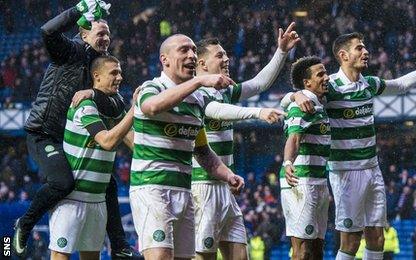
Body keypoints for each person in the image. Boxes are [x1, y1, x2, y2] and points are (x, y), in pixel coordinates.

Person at [281, 32, 416, 260]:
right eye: (359, 48)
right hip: (346, 172)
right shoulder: (329, 86)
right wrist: (294, 96)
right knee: (350, 242)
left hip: (373, 169)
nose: (366, 52)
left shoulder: (369, 84)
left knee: (377, 239)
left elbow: (400, 85)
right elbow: (287, 102)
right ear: (343, 55)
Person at [130, 34, 280, 260]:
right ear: (165, 59)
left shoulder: (196, 101)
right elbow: (151, 107)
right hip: (153, 188)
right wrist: (199, 82)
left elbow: (202, 150)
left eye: (193, 50)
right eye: (184, 50)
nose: (191, 54)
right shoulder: (152, 87)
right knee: (161, 256)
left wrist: (227, 174)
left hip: (185, 191)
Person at [13, 1, 136, 257]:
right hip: (44, 133)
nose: (106, 38)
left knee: (109, 183)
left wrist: (92, 91)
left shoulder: (102, 67)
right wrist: (78, 10)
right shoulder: (68, 51)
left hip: (69, 137)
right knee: (62, 182)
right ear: (83, 35)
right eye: (100, 33)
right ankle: (24, 223)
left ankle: (120, 245)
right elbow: (47, 32)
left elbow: (117, 102)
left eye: (108, 34)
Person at [191, 22, 298, 260]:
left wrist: (281, 52)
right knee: (203, 256)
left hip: (226, 189)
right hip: (203, 186)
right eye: (220, 55)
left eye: (226, 53)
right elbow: (214, 111)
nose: (227, 58)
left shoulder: (225, 90)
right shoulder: (194, 93)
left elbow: (259, 83)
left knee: (241, 256)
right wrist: (256, 113)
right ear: (202, 63)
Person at [49, 55, 136, 260]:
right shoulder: (84, 105)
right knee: (61, 256)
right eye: (114, 73)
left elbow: (135, 144)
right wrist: (133, 110)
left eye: (121, 72)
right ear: (96, 76)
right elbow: (107, 141)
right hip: (73, 198)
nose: (120, 77)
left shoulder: (114, 111)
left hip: (98, 200)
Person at [281, 56, 331, 260]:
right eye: (320, 74)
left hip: (318, 181)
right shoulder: (302, 106)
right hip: (301, 182)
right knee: (302, 252)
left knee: (318, 249)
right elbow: (294, 138)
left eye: (326, 72)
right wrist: (288, 162)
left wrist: (294, 94)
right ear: (307, 83)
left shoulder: (318, 104)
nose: (326, 77)